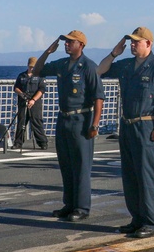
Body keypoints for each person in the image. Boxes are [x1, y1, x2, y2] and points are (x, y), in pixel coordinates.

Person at [98, 26, 154, 239]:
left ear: (148, 44)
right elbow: (100, 70)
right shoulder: (126, 66)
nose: (132, 45)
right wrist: (115, 53)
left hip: (147, 126)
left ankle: (151, 222)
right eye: (131, 42)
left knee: (147, 175)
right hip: (128, 125)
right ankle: (137, 219)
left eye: (136, 42)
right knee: (131, 175)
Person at [31, 30, 104, 222]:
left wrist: (95, 124)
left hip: (81, 120)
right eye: (66, 42)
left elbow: (98, 97)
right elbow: (37, 70)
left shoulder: (88, 66)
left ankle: (82, 207)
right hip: (63, 119)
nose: (66, 44)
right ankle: (69, 204)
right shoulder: (62, 64)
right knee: (66, 164)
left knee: (81, 165)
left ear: (81, 45)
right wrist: (48, 52)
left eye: (71, 42)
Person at [14, 56, 47, 150]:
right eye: (31, 66)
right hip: (23, 102)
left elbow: (42, 89)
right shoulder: (22, 76)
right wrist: (21, 94)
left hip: (35, 102)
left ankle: (42, 142)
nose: (32, 68)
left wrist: (33, 100)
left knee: (37, 122)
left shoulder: (40, 76)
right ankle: (18, 142)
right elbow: (16, 87)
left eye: (34, 67)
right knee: (21, 122)